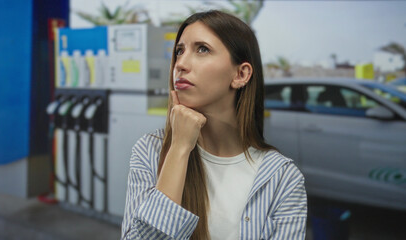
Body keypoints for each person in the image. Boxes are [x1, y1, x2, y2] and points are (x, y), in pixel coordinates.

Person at [121, 10, 307, 240]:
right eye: (179, 51)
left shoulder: (282, 177)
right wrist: (179, 148)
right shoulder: (150, 151)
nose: (180, 64)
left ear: (241, 74)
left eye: (202, 49)